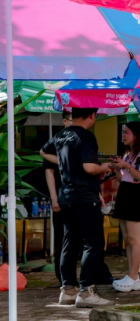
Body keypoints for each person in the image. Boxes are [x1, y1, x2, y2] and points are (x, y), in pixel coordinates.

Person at [41, 108, 114, 307]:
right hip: (84, 197)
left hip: (66, 197)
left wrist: (66, 162)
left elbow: (43, 151)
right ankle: (86, 290)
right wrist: (106, 166)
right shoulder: (86, 136)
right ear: (92, 115)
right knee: (93, 243)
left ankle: (68, 290)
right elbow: (90, 168)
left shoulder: (61, 135)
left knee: (69, 243)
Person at [110, 121, 140, 292]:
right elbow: (122, 178)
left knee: (134, 239)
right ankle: (131, 275)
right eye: (122, 132)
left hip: (135, 194)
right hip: (125, 192)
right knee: (127, 239)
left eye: (126, 132)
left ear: (136, 134)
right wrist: (116, 167)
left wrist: (126, 166)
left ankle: (134, 276)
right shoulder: (128, 154)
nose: (123, 135)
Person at [44, 111, 73, 287]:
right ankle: (62, 277)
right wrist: (54, 197)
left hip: (77, 197)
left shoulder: (80, 139)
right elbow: (49, 171)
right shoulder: (57, 140)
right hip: (61, 197)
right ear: (64, 121)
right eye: (72, 119)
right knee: (62, 238)